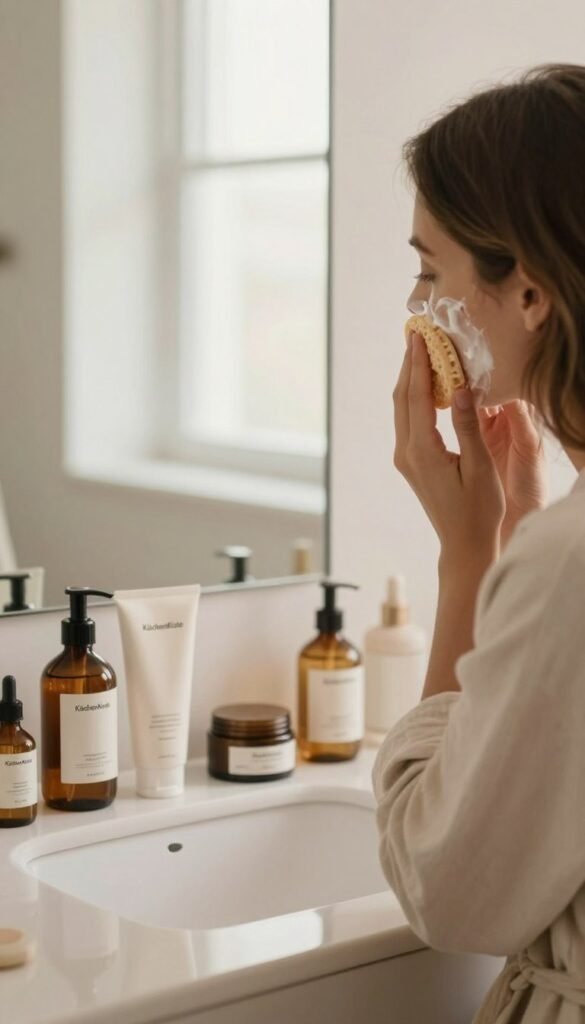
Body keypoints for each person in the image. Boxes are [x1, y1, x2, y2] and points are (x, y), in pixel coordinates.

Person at [372, 63, 585, 1023]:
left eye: (429, 269)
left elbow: (444, 888)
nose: (419, 308)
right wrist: (522, 532)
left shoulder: (565, 561)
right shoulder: (558, 547)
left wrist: (470, 560)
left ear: (529, 295)